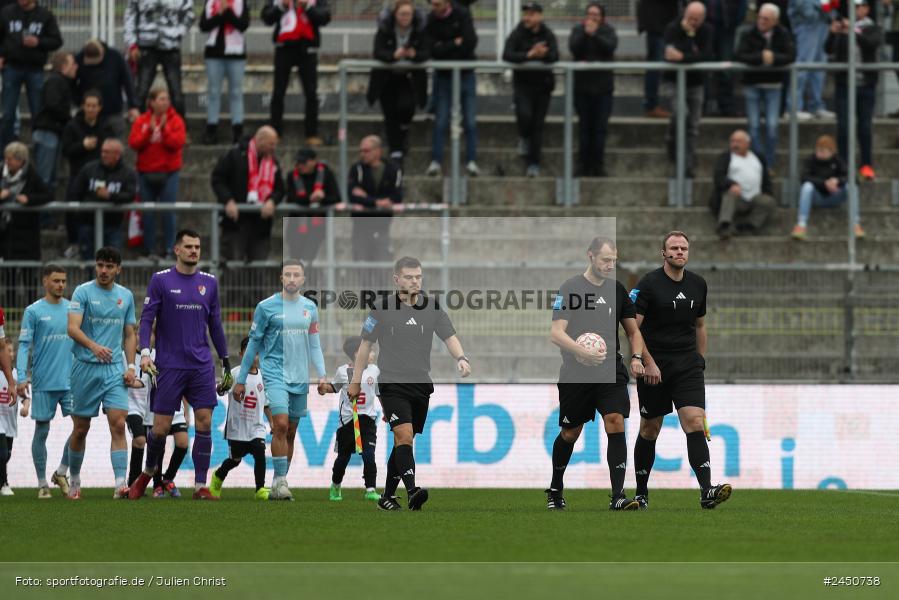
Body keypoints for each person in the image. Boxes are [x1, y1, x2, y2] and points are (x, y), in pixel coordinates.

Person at [348, 256, 471, 511]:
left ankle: (387, 497)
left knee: (402, 441)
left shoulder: (432, 307)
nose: (415, 281)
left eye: (418, 277)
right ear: (397, 279)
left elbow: (449, 336)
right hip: (392, 383)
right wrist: (356, 381)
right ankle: (413, 490)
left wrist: (461, 358)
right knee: (404, 436)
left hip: (421, 384)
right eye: (409, 277)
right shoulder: (381, 309)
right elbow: (365, 346)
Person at [631, 231, 732, 510]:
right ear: (663, 253)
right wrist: (647, 361)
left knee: (694, 421)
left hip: (687, 366)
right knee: (650, 428)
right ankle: (641, 493)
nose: (679, 252)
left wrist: (700, 359)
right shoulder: (649, 284)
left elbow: (700, 325)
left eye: (684, 248)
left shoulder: (698, 284)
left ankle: (707, 491)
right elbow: (632, 328)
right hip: (655, 366)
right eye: (674, 248)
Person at [129, 230, 231, 501]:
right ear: (177, 250)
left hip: (201, 365)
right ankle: (147, 473)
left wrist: (225, 360)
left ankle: (200, 486)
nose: (194, 251)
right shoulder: (161, 280)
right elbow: (147, 319)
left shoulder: (209, 283)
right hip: (169, 365)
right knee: (160, 428)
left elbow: (216, 324)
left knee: (205, 421)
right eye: (188, 246)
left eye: (197, 246)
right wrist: (145, 353)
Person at [547, 237, 647, 511]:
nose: (610, 265)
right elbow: (556, 333)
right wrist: (582, 350)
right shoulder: (570, 288)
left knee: (615, 421)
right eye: (605, 260)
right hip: (576, 374)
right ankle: (555, 489)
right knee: (570, 432)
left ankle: (618, 496)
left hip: (610, 371)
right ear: (590, 256)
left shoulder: (617, 290)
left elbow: (633, 332)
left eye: (613, 260)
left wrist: (636, 357)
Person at [232, 260, 327, 501]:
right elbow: (253, 343)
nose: (292, 279)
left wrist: (322, 375)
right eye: (288, 274)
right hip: (274, 374)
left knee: (291, 432)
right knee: (280, 425)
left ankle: (278, 481)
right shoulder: (266, 307)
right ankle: (281, 483)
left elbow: (314, 344)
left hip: (300, 376)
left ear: (303, 279)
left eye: (296, 275)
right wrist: (240, 379)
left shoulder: (310, 308)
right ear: (281, 278)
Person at [65, 246, 138, 500]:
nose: (104, 270)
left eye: (109, 266)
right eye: (100, 265)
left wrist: (131, 366)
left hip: (114, 369)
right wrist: (93, 346)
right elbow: (72, 328)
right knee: (80, 429)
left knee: (118, 423)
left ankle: (120, 483)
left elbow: (130, 334)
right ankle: (74, 480)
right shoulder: (82, 292)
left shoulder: (126, 296)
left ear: (118, 269)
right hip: (84, 367)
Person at [16, 264, 73, 498]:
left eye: (63, 281)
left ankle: (61, 471)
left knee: (81, 427)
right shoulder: (33, 311)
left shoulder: (73, 308)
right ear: (45, 282)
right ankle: (42, 484)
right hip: (43, 381)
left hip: (71, 381)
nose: (61, 285)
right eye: (56, 280)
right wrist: (21, 377)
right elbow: (23, 346)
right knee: (42, 431)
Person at [318, 335, 380, 502]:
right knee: (343, 457)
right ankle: (335, 485)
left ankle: (370, 489)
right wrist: (324, 388)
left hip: (367, 420)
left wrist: (387, 411)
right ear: (357, 353)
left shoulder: (374, 371)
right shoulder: (342, 371)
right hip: (347, 421)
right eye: (369, 350)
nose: (372, 353)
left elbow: (379, 392)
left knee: (369, 455)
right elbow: (334, 387)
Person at [262, 0, 332, 147]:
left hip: (307, 49)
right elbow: (266, 17)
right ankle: (275, 133)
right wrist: (281, 6)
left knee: (311, 93)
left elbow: (325, 17)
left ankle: (311, 134)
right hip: (284, 47)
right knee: (278, 92)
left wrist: (307, 7)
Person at [368, 0, 430, 163]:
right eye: (402, 14)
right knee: (390, 115)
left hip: (408, 77)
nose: (405, 17)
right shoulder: (385, 29)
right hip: (387, 77)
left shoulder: (419, 30)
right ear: (395, 14)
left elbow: (426, 52)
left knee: (406, 107)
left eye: (408, 14)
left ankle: (403, 132)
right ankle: (396, 151)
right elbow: (378, 51)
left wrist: (414, 55)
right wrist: (393, 55)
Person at [735, 4, 795, 171]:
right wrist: (760, 58)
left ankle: (769, 164)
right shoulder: (748, 32)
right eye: (760, 17)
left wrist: (774, 58)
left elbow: (791, 55)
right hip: (752, 84)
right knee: (753, 127)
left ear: (775, 21)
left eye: (766, 19)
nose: (761, 21)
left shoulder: (783, 34)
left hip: (773, 85)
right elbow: (740, 54)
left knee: (772, 127)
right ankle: (758, 164)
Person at [124, 347, 190, 498]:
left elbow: (184, 386)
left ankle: (168, 478)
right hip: (158, 407)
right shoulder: (151, 359)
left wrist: (186, 410)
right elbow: (143, 382)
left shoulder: (178, 356)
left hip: (177, 409)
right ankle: (157, 485)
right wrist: (130, 382)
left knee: (183, 443)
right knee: (158, 446)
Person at [211, 125, 284, 262]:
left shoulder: (273, 162)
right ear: (260, 140)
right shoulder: (234, 155)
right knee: (233, 265)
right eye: (271, 144)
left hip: (261, 225)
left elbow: (280, 188)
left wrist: (272, 201)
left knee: (259, 266)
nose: (274, 148)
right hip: (236, 223)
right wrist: (228, 200)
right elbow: (218, 180)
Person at [826, 0, 882, 181]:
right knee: (843, 126)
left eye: (860, 6)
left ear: (866, 8)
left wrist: (853, 31)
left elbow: (870, 44)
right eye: (854, 6)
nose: (856, 10)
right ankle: (844, 166)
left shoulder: (872, 27)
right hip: (844, 84)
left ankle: (866, 165)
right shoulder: (843, 26)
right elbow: (828, 49)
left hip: (866, 85)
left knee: (864, 126)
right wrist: (833, 33)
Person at [210, 336, 270, 500]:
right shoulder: (235, 374)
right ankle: (218, 476)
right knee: (235, 460)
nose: (253, 357)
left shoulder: (263, 377)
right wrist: (221, 387)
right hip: (237, 428)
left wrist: (272, 422)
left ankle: (260, 489)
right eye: (249, 352)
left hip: (256, 427)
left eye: (256, 353)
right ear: (241, 354)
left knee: (260, 453)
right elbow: (221, 391)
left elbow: (265, 403)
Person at [129, 87, 186, 258]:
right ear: (152, 102)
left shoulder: (176, 120)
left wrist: (164, 129)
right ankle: (149, 249)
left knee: (168, 212)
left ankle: (170, 249)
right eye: (161, 99)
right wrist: (149, 131)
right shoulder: (142, 120)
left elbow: (178, 142)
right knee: (148, 212)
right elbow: (134, 143)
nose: (165, 102)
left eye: (167, 99)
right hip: (145, 172)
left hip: (169, 173)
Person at [502, 2, 558, 178]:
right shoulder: (518, 33)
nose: (527, 18)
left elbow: (555, 55)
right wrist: (528, 55)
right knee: (525, 116)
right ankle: (524, 137)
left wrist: (543, 55)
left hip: (543, 86)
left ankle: (534, 164)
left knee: (538, 125)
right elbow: (507, 54)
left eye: (531, 14)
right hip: (523, 86)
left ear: (540, 16)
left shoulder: (548, 34)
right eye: (525, 14)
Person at [425, 0, 480, 177]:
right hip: (444, 76)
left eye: (438, 4)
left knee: (470, 121)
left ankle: (471, 161)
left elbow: (470, 42)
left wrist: (445, 48)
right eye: (432, 4)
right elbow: (432, 49)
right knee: (441, 120)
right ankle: (436, 161)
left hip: (465, 74)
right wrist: (454, 43)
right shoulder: (431, 19)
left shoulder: (462, 14)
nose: (435, 8)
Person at [0, 0, 62, 148]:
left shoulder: (45, 15)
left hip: (35, 69)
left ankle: (39, 147)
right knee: (8, 113)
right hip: (12, 66)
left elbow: (57, 41)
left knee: (38, 112)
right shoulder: (7, 13)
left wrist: (38, 42)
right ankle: (6, 150)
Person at [61, 91, 115, 259]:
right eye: (88, 105)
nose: (91, 109)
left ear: (99, 108)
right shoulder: (72, 126)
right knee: (72, 208)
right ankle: (74, 243)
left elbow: (112, 149)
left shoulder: (105, 127)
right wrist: (82, 146)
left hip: (100, 177)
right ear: (83, 106)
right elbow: (66, 150)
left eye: (94, 106)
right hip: (77, 175)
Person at [664, 2, 713, 177]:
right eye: (690, 18)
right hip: (674, 81)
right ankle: (672, 143)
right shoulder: (673, 28)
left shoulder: (707, 30)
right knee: (681, 114)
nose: (692, 22)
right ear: (685, 14)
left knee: (692, 126)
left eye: (696, 19)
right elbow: (671, 55)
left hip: (696, 83)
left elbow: (706, 55)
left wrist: (685, 53)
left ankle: (688, 164)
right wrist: (687, 41)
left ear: (703, 19)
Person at [67, 138, 137, 260]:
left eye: (107, 152)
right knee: (89, 262)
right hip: (88, 224)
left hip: (113, 225)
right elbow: (76, 191)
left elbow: (130, 195)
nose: (103, 155)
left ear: (117, 155)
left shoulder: (128, 173)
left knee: (112, 262)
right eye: (102, 151)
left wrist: (110, 196)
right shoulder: (89, 168)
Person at [569, 3, 617, 177]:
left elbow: (610, 47)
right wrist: (586, 34)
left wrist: (595, 34)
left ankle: (597, 165)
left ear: (602, 17)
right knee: (584, 127)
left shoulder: (608, 31)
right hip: (582, 88)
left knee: (600, 128)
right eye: (589, 14)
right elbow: (574, 48)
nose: (592, 17)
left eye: (596, 14)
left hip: (603, 88)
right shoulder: (578, 30)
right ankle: (582, 164)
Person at [124, 0, 194, 117]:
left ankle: (179, 127)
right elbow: (130, 15)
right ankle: (138, 125)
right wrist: (131, 44)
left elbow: (190, 14)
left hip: (171, 46)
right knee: (141, 91)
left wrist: (177, 32)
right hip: (145, 46)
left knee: (176, 93)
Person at [199, 0, 250, 145]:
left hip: (236, 54)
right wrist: (219, 14)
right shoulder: (210, 2)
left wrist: (228, 12)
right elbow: (203, 26)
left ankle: (238, 130)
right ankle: (211, 129)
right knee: (213, 92)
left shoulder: (240, 2)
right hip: (213, 54)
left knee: (236, 92)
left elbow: (243, 25)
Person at [710, 129, 776, 240]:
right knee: (730, 194)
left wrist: (767, 192)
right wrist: (731, 184)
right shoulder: (726, 157)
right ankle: (724, 225)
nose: (734, 144)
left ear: (747, 143)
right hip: (736, 197)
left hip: (755, 197)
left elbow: (766, 178)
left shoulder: (758, 157)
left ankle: (748, 226)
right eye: (732, 141)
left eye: (738, 141)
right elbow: (718, 176)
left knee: (768, 201)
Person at [791, 135, 858, 240]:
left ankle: (855, 224)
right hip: (817, 197)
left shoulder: (838, 160)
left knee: (851, 187)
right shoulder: (811, 160)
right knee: (807, 187)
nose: (820, 153)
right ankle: (801, 224)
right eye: (818, 150)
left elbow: (853, 177)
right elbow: (804, 177)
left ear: (832, 152)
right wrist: (824, 183)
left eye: (823, 151)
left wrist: (837, 181)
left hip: (836, 196)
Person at [347, 135, 402, 263]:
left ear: (378, 151)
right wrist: (377, 202)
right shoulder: (356, 169)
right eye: (361, 151)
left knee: (382, 263)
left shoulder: (393, 169)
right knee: (361, 263)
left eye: (366, 151)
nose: (362, 154)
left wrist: (366, 198)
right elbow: (353, 196)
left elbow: (397, 196)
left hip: (382, 225)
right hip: (360, 225)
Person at [285, 147, 340, 265]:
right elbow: (291, 198)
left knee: (309, 258)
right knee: (295, 259)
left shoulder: (326, 174)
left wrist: (322, 198)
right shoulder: (291, 176)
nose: (300, 165)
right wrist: (311, 198)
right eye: (298, 162)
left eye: (304, 162)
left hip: (317, 226)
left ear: (314, 161)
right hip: (296, 225)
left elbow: (336, 198)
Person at [74, 39, 141, 137]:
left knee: (117, 139)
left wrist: (133, 105)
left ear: (102, 53)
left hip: (113, 110)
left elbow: (128, 81)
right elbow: (72, 82)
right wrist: (78, 102)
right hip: (90, 111)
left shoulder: (115, 57)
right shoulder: (79, 58)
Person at [32, 51, 76, 191]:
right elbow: (52, 104)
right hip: (47, 133)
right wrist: (69, 118)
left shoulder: (60, 81)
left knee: (51, 179)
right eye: (72, 64)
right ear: (64, 66)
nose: (75, 67)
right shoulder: (56, 81)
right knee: (45, 178)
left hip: (53, 132)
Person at [0, 141, 51, 264]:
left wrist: (29, 199)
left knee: (27, 269)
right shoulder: (1, 171)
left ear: (20, 161)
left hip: (26, 233)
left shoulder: (31, 175)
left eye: (10, 159)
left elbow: (48, 195)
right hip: (4, 232)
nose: (7, 162)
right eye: (6, 158)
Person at [789, 0, 836, 120]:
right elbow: (804, 9)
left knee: (819, 68)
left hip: (823, 24)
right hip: (807, 24)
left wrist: (829, 9)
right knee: (803, 66)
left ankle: (816, 106)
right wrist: (821, 6)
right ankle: (793, 108)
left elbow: (831, 9)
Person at [636, 0, 677, 118]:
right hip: (658, 26)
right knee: (656, 66)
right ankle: (651, 105)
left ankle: (653, 104)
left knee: (659, 65)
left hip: (662, 24)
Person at [703, 0, 743, 117]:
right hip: (704, 26)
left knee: (726, 69)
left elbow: (742, 6)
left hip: (726, 27)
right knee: (703, 68)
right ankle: (702, 105)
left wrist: (734, 22)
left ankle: (727, 106)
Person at [0, 351, 22, 496]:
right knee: (2, 454)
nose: (8, 354)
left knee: (6, 455)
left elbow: (23, 395)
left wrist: (26, 405)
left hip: (10, 423)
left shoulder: (16, 375)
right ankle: (4, 484)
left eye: (10, 351)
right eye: (5, 351)